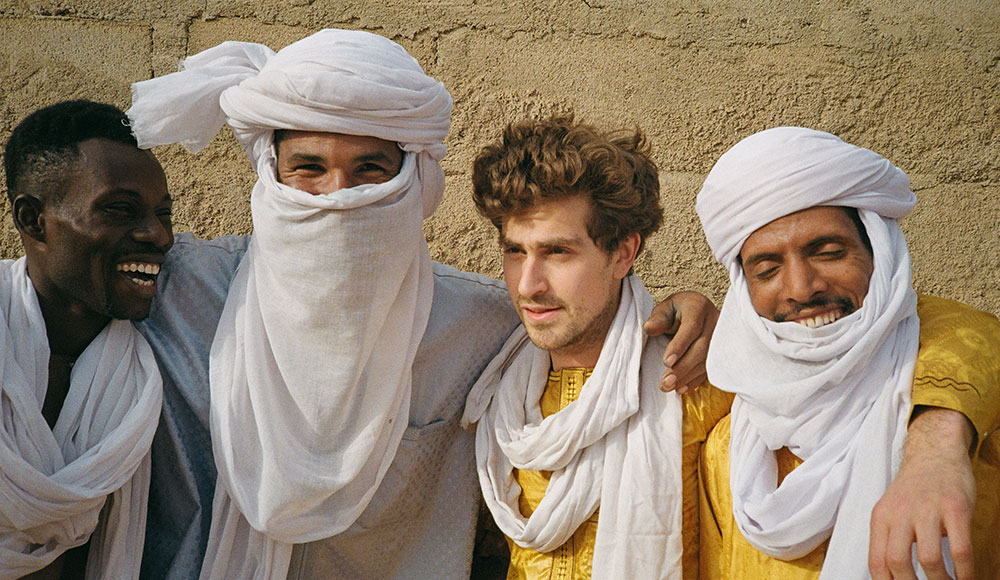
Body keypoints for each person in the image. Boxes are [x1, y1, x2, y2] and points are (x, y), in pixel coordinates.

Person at [125, 30, 715, 580]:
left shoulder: (484, 326)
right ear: (269, 169)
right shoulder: (176, 292)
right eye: (308, 168)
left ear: (411, 178)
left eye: (370, 170)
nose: (339, 197)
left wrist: (700, 317)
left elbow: (592, 332)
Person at [694, 127, 1000, 580]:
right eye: (767, 269)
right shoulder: (726, 450)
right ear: (744, 289)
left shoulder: (974, 421)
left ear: (880, 251)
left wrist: (937, 447)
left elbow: (973, 338)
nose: (802, 289)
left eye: (829, 252)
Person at [461, 115, 735, 579]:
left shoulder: (698, 383)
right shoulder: (491, 387)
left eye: (557, 253)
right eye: (515, 251)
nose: (528, 285)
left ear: (623, 253)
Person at [0, 101, 170, 579]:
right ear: (34, 220)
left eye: (163, 214)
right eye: (120, 209)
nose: (157, 235)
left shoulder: (143, 377)